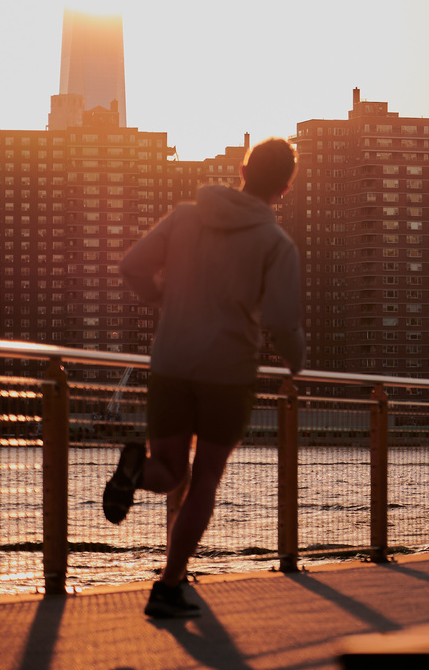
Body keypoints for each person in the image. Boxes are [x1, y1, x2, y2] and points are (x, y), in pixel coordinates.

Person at [103, 137, 305, 619]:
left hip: (170, 363)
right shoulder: (276, 244)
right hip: (226, 372)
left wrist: (163, 302)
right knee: (205, 479)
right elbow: (280, 321)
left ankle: (134, 470)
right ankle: (168, 587)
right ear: (284, 187)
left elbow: (132, 267)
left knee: (170, 469)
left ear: (242, 168)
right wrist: (298, 363)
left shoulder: (184, 216)